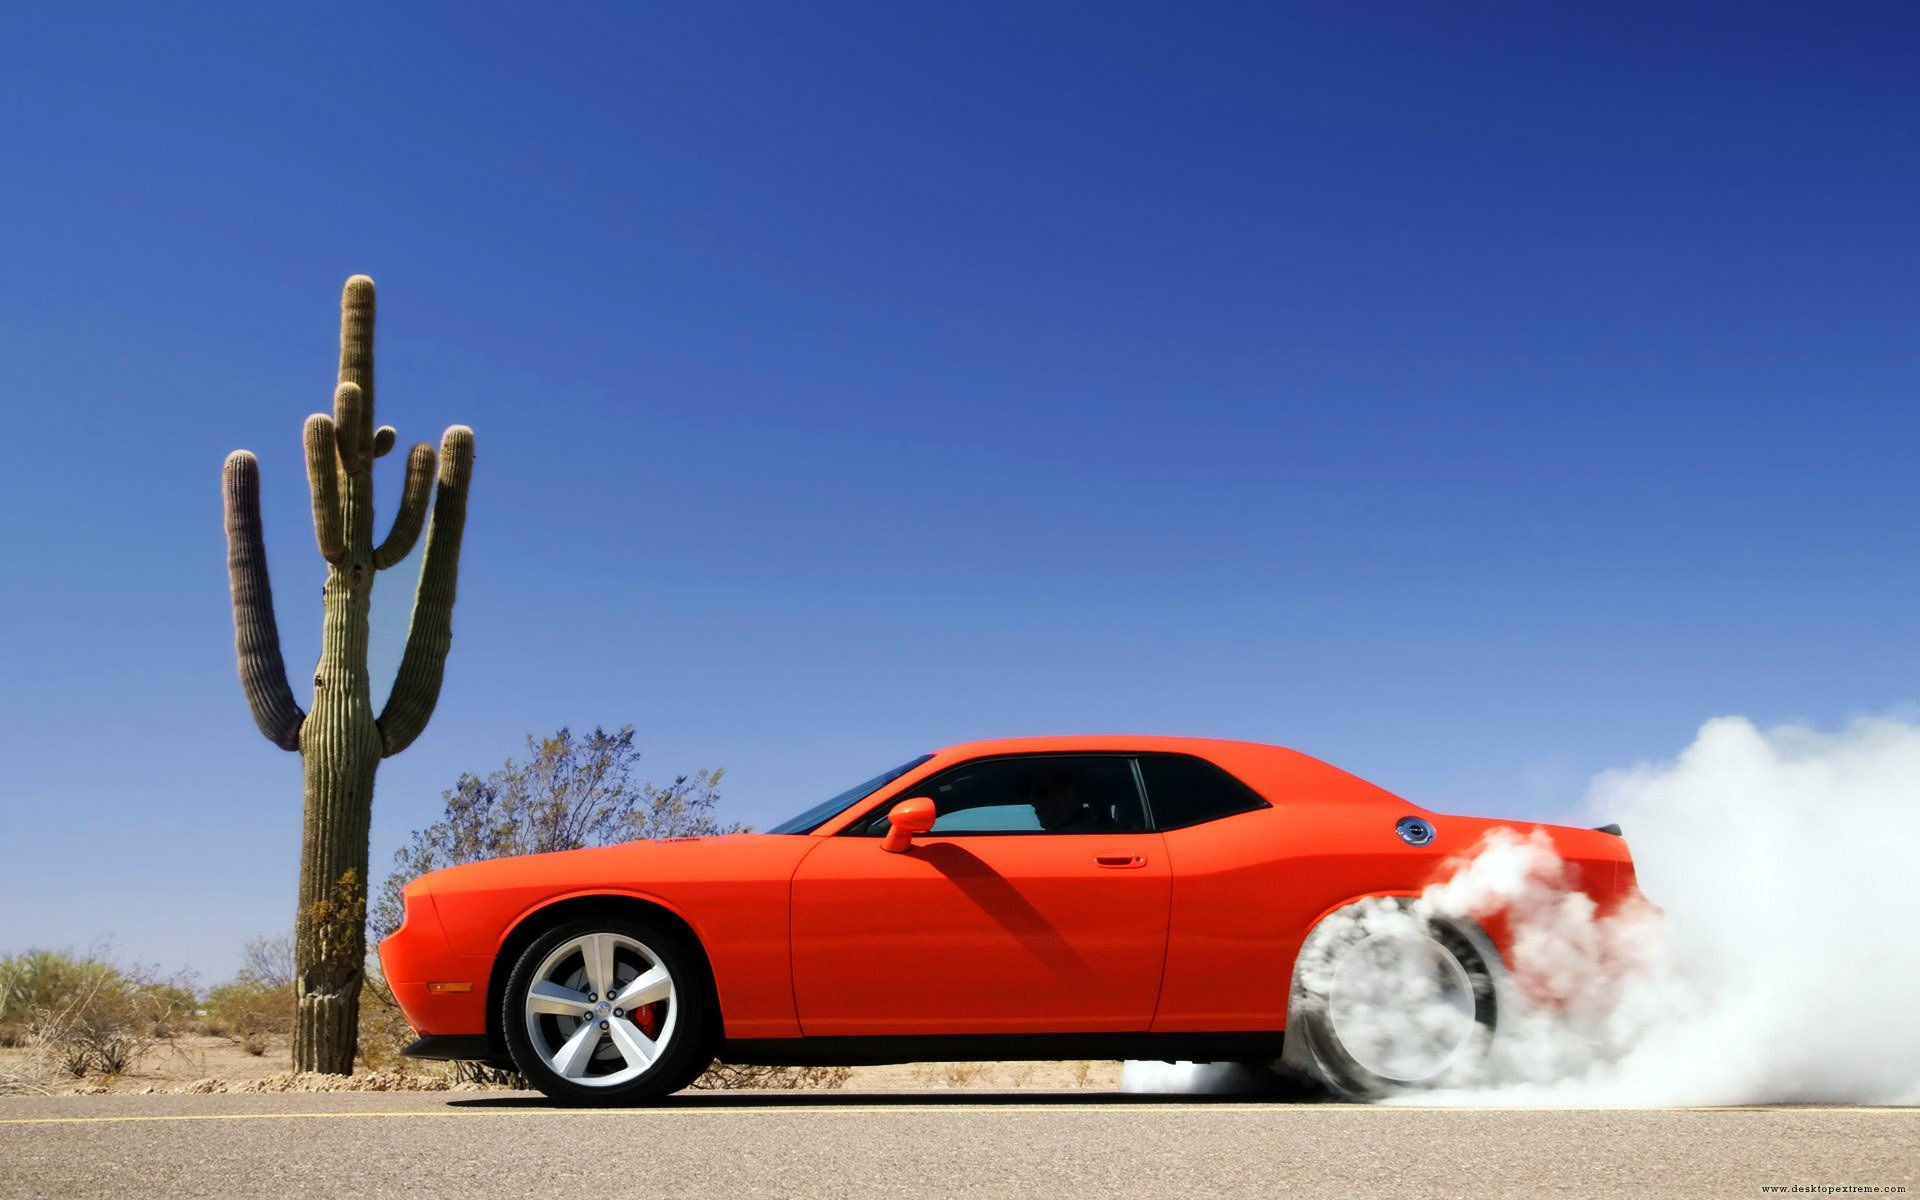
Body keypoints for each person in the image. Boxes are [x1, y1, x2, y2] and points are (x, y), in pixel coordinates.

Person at [1029, 771, 1108, 833]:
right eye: (1031, 798)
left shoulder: (1082, 835)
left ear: (1070, 793)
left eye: (1041, 794)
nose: (1034, 804)